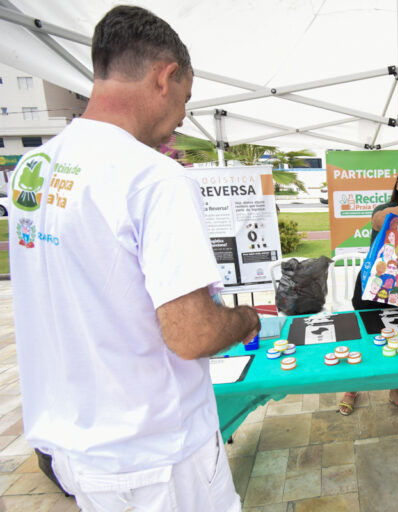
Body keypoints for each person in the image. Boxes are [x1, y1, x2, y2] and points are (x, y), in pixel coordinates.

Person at [8, 6, 261, 511]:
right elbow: (191, 334)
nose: (182, 118)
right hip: (159, 454)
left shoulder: (33, 166)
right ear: (165, 77)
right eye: (186, 99)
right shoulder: (154, 177)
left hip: (81, 452)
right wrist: (246, 318)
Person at [340, 162, 398, 418]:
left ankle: (395, 392)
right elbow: (379, 221)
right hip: (372, 286)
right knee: (364, 336)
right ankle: (353, 386)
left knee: (397, 339)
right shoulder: (386, 210)